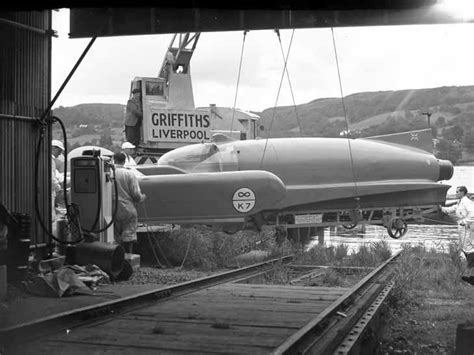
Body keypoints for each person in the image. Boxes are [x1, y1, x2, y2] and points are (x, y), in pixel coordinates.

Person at [112, 152, 146, 253]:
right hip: (127, 208)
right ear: (124, 161)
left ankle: (117, 258)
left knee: (115, 235)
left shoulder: (108, 172)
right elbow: (135, 194)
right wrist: (142, 198)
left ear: (114, 160)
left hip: (111, 208)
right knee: (129, 234)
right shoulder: (129, 174)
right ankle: (128, 258)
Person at [440, 186, 474, 284]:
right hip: (462, 228)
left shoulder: (467, 202)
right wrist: (442, 209)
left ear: (463, 192)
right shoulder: (460, 202)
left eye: (457, 192)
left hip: (467, 228)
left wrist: (465, 222)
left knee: (468, 248)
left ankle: (469, 270)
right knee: (463, 248)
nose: (456, 193)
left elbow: (473, 213)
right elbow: (453, 208)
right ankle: (468, 270)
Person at [51, 140, 65, 225]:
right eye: (59, 151)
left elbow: (56, 175)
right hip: (51, 192)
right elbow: (52, 178)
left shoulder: (51, 160)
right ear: (53, 148)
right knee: (51, 217)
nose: (60, 154)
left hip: (52, 192)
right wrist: (59, 188)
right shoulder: (50, 160)